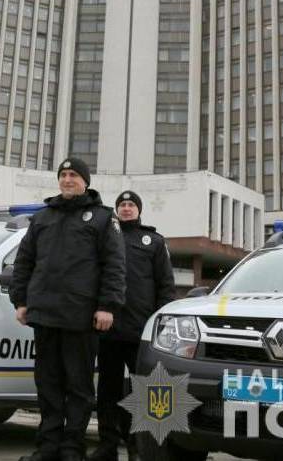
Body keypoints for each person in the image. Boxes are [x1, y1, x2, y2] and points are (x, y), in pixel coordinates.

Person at [10, 157, 126, 461]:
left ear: (85, 181)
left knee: (78, 387)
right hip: (45, 315)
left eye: (74, 174)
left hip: (81, 317)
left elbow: (114, 266)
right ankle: (47, 447)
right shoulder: (42, 217)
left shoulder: (102, 218)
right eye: (63, 174)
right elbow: (24, 262)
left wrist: (107, 306)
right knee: (48, 385)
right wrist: (20, 301)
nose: (67, 179)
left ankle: (72, 447)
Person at [89, 191, 175, 461]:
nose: (126, 209)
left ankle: (140, 448)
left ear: (139, 210)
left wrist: (161, 326)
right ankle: (107, 446)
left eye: (131, 205)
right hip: (109, 329)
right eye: (122, 205)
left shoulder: (154, 241)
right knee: (107, 392)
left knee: (145, 393)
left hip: (142, 332)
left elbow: (166, 287)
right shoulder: (105, 237)